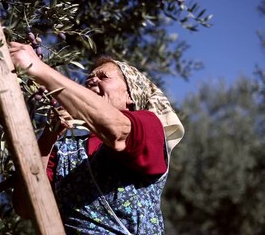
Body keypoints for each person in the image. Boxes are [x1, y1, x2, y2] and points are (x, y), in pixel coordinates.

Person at [9, 42, 185, 235]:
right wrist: (49, 136)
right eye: (89, 78)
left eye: (104, 77)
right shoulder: (64, 149)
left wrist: (38, 68)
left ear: (131, 95)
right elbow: (26, 207)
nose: (92, 80)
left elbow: (117, 132)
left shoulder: (148, 125)